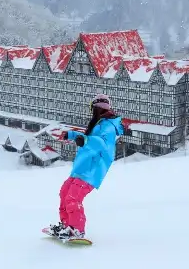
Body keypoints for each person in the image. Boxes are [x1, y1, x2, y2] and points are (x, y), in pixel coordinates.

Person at [46, 94, 131, 239]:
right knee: (65, 193)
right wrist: (72, 135)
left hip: (92, 169)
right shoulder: (99, 123)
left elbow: (102, 143)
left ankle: (77, 230)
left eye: (94, 109)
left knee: (73, 198)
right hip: (82, 166)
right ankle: (67, 225)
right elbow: (89, 137)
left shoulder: (108, 126)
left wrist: (84, 140)